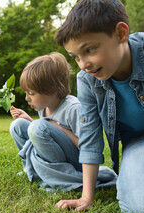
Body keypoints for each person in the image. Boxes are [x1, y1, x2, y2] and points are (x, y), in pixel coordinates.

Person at [54, 0, 144, 213]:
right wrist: (86, 197)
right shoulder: (87, 80)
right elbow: (90, 135)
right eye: (76, 57)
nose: (83, 64)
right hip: (139, 142)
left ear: (120, 33)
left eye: (89, 50)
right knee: (142, 209)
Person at [9, 52, 117, 191]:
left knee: (38, 126)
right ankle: (34, 172)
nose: (26, 99)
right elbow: (46, 132)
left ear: (52, 90)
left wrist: (59, 128)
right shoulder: (44, 107)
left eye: (31, 93)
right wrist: (29, 120)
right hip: (56, 154)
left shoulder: (73, 108)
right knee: (18, 125)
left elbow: (86, 145)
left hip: (75, 162)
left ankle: (60, 178)